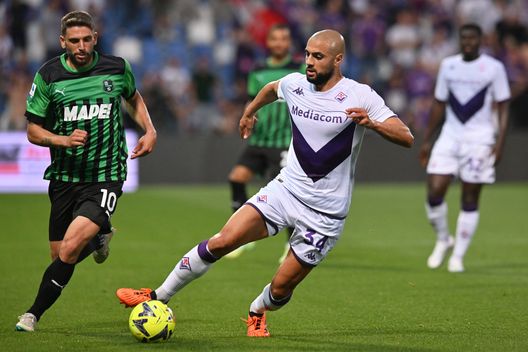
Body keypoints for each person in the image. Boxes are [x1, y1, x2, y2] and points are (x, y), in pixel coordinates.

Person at [116, 29, 413, 337]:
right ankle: (156, 295)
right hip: (285, 191)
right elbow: (272, 89)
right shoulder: (296, 84)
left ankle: (258, 309)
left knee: (282, 289)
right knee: (222, 241)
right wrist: (249, 112)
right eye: (308, 54)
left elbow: (405, 136)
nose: (309, 62)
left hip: (325, 214)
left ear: (338, 60)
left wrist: (373, 124)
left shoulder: (360, 94)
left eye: (318, 57)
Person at [15, 11, 157, 332]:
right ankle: (99, 237)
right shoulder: (49, 75)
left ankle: (32, 315)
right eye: (74, 41)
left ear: (96, 38)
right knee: (60, 254)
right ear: (62, 42)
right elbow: (33, 131)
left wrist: (149, 129)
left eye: (87, 39)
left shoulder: (116, 67)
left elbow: (133, 98)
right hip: (64, 176)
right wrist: (61, 140)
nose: (81, 46)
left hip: (106, 173)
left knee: (67, 249)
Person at [420, 23, 510, 273]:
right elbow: (439, 102)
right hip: (449, 136)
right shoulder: (448, 65)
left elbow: (503, 106)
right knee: (434, 192)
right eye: (464, 38)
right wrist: (428, 139)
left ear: (480, 40)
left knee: (470, 196)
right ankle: (443, 238)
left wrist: (499, 142)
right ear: (460, 41)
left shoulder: (494, 68)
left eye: (472, 38)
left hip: (479, 140)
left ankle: (458, 255)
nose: (468, 42)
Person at [227, 23, 304, 261]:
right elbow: (251, 101)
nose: (280, 43)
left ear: (289, 43)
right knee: (236, 178)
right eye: (275, 39)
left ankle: (292, 244)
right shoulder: (258, 70)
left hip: (284, 142)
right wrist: (249, 115)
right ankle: (240, 237)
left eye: (284, 38)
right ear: (268, 43)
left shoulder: (300, 68)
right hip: (260, 140)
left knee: (288, 194)